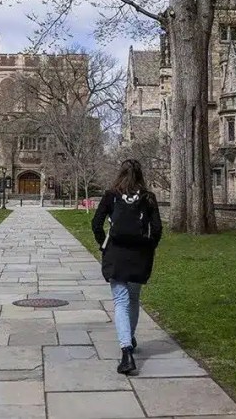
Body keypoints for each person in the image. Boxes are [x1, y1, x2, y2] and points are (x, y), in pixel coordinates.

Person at [91, 159, 162, 375]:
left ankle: (126, 352)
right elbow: (157, 229)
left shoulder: (111, 194)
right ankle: (128, 337)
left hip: (117, 253)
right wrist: (149, 247)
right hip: (139, 254)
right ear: (140, 175)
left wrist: (104, 244)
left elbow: (96, 223)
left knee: (121, 301)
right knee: (133, 299)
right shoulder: (148, 197)